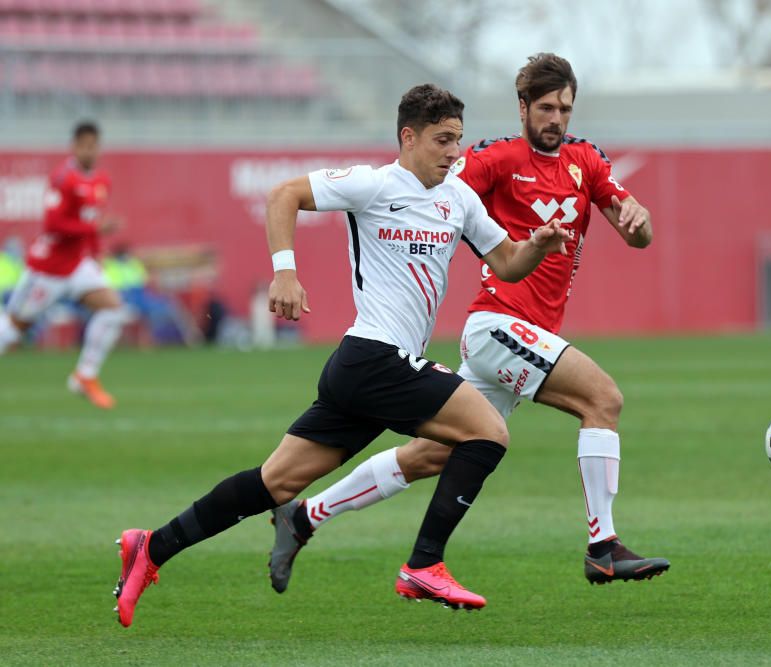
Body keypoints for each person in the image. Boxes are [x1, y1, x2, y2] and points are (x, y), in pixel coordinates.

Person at [111, 83, 570, 627]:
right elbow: (283, 195)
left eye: (458, 141)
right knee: (488, 432)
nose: (454, 153)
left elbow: (508, 261)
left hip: (364, 371)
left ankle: (152, 546)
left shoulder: (459, 199)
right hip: (375, 355)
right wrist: (285, 269)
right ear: (408, 136)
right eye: (443, 140)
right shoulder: (373, 184)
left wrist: (537, 245)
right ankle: (424, 564)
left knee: (275, 484)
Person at [269, 53, 670, 591]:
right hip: (498, 324)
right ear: (523, 107)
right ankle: (603, 547)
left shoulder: (588, 161)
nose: (556, 118)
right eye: (546, 107)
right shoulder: (494, 158)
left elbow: (634, 232)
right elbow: (435, 188)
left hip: (533, 334)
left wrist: (639, 220)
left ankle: (306, 515)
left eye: (565, 109)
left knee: (434, 453)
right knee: (603, 399)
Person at [0, 121, 127, 409]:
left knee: (114, 308)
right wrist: (95, 230)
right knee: (12, 331)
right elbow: (54, 224)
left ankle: (85, 375)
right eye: (85, 145)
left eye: (94, 145)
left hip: (77, 265)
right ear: (74, 147)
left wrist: (96, 255)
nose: (90, 151)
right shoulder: (63, 178)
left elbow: (91, 222)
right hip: (47, 269)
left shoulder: (101, 181)